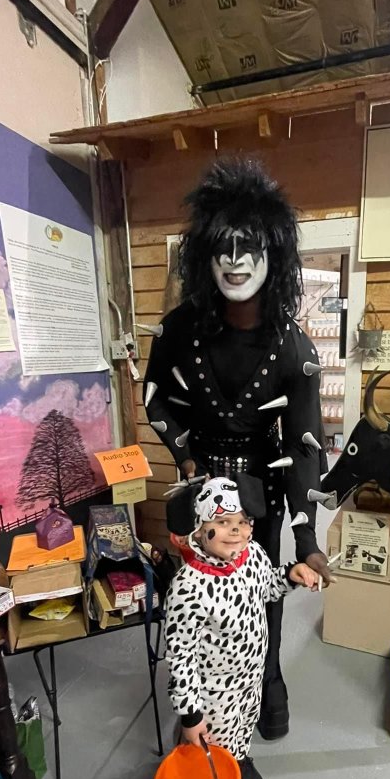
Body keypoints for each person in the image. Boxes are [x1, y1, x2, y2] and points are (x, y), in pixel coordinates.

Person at [143, 157, 333, 740]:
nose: (235, 261)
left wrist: (306, 541)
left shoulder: (294, 349)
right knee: (194, 600)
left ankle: (264, 686)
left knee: (259, 599)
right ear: (205, 255)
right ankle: (194, 709)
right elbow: (156, 401)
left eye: (250, 247)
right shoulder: (177, 331)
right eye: (223, 247)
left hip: (262, 494)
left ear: (274, 255)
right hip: (199, 491)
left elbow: (305, 447)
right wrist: (188, 461)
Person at [164, 476, 319, 779]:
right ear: (199, 533)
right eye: (222, 524)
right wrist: (190, 716)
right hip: (213, 692)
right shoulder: (188, 587)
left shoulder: (253, 557)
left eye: (242, 522)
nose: (236, 532)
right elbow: (180, 656)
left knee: (244, 728)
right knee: (212, 749)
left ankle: (241, 761)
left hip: (250, 677)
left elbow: (268, 587)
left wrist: (290, 576)